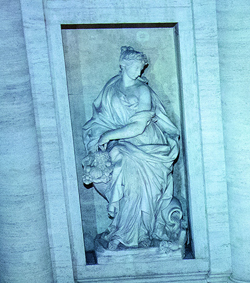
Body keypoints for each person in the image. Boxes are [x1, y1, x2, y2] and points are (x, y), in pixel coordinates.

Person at [80, 46, 187, 251]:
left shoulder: (142, 89)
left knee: (136, 182)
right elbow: (101, 118)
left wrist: (108, 135)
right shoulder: (111, 87)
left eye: (141, 67)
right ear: (123, 65)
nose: (140, 71)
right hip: (124, 143)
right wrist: (99, 136)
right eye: (136, 67)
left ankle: (140, 234)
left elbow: (138, 127)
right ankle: (122, 232)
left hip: (148, 145)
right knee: (120, 165)